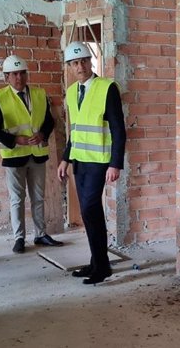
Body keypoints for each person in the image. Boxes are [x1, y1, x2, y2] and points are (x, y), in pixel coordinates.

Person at [57, 42, 126, 285]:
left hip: (99, 162)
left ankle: (103, 266)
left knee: (89, 210)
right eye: (75, 63)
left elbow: (119, 129)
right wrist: (65, 158)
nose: (80, 66)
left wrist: (115, 163)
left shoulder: (107, 88)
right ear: (69, 66)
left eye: (84, 60)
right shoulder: (73, 91)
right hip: (80, 161)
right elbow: (74, 131)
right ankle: (97, 262)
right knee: (90, 214)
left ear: (91, 61)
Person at [0, 54, 64, 254]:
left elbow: (48, 121)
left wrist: (42, 134)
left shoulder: (39, 94)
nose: (19, 78)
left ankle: (40, 234)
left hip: (37, 154)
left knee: (38, 197)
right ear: (6, 77)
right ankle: (19, 237)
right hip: (15, 156)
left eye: (22, 73)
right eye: (14, 74)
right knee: (17, 198)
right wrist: (15, 140)